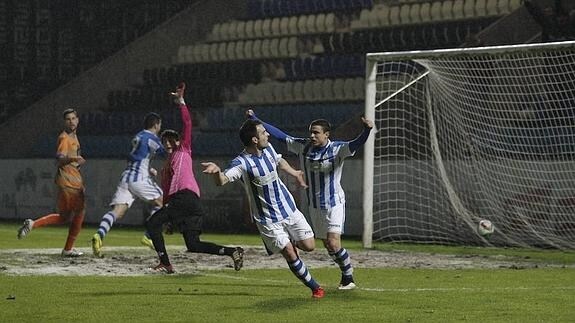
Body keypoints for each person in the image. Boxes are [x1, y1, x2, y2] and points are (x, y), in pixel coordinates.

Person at [247, 109, 373, 290]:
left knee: (333, 242)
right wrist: (257, 120)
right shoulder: (303, 146)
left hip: (334, 203)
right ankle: (345, 273)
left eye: (316, 132)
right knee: (327, 246)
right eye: (311, 132)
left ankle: (348, 277)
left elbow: (356, 143)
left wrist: (367, 131)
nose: (312, 136)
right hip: (314, 205)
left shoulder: (338, 148)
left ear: (326, 135)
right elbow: (281, 136)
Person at [201, 118, 325, 299]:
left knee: (310, 246)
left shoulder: (269, 149)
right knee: (290, 254)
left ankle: (291, 241)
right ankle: (316, 288)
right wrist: (216, 173)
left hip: (288, 208)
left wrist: (294, 172)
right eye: (263, 132)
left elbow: (279, 161)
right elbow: (223, 180)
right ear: (254, 140)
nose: (267, 134)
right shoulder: (242, 162)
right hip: (267, 219)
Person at [145, 82, 244, 273]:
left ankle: (165, 262)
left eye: (170, 139)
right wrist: (170, 220)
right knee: (193, 244)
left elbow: (188, 123)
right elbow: (167, 193)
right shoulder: (167, 166)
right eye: (164, 140)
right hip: (187, 203)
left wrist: (181, 101)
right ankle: (232, 252)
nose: (166, 143)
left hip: (185, 198)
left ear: (178, 141)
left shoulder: (183, 149)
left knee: (152, 223)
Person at [91, 112, 165, 258]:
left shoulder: (138, 136)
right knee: (164, 201)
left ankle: (99, 234)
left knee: (118, 211)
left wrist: (148, 168)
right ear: (156, 125)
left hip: (126, 177)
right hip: (139, 179)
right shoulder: (152, 138)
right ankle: (148, 236)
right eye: (160, 125)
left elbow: (137, 157)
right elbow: (164, 151)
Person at [17, 108, 87, 257]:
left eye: (73, 118)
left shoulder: (74, 137)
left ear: (78, 120)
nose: (71, 121)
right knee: (80, 212)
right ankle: (68, 249)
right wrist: (74, 159)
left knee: (64, 217)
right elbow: (59, 160)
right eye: (68, 119)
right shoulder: (65, 138)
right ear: (64, 122)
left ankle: (33, 224)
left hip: (70, 181)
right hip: (68, 182)